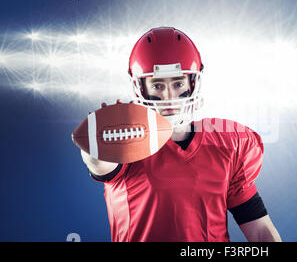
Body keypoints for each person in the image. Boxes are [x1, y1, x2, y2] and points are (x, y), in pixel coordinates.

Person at [80, 27, 281, 242]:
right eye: (157, 85)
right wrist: (97, 138)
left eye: (178, 84)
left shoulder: (229, 142)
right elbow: (99, 162)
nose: (169, 97)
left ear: (193, 83)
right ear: (140, 88)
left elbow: (260, 231)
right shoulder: (126, 141)